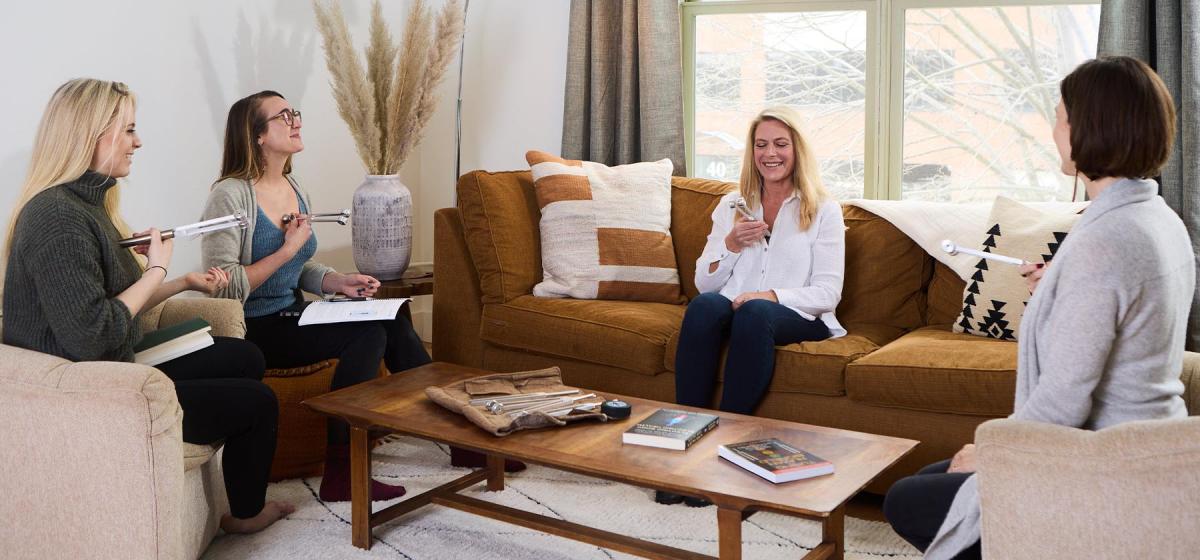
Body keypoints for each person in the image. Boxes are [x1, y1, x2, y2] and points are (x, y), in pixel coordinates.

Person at [883, 56, 1194, 560]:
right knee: (931, 481)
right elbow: (1121, 309)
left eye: (1059, 117)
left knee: (907, 500)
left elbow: (1065, 401)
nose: (1053, 130)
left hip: (1104, 464)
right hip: (1145, 445)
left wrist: (993, 453)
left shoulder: (1107, 242)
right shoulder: (1156, 218)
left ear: (1089, 128)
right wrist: (1060, 288)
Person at [2, 78, 292, 533]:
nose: (139, 142)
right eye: (129, 129)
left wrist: (180, 281)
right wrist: (155, 270)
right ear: (91, 134)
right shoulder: (56, 216)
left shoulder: (88, 204)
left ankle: (228, 479)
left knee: (245, 355)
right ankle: (245, 516)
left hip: (112, 359)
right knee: (258, 403)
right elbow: (93, 334)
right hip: (90, 385)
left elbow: (114, 305)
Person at [200, 91, 520, 503]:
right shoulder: (230, 195)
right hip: (254, 329)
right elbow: (224, 285)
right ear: (256, 135)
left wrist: (338, 282)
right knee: (366, 334)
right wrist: (287, 249)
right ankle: (347, 469)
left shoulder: (292, 186)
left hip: (292, 313)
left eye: (294, 111)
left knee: (392, 314)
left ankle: (458, 439)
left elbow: (298, 270)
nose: (296, 120)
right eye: (283, 116)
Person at [661, 107, 847, 506]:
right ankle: (684, 452)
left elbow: (827, 292)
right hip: (739, 308)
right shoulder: (732, 206)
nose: (770, 153)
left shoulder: (823, 209)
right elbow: (704, 283)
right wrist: (730, 245)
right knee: (705, 307)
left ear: (797, 150)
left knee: (754, 313)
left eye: (780, 144)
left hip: (797, 315)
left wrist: (772, 296)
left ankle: (725, 457)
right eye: (761, 144)